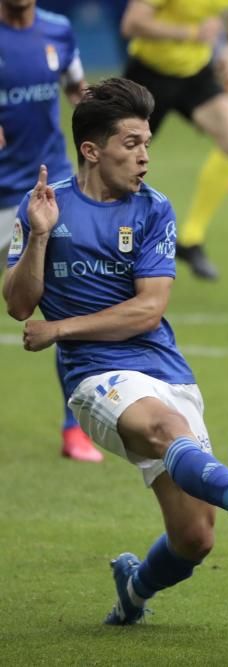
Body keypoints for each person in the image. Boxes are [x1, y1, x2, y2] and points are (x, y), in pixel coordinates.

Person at [3, 77, 228, 625]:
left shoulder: (154, 210)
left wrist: (59, 329)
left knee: (194, 539)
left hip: (164, 368)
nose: (144, 158)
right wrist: (38, 237)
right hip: (95, 378)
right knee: (164, 429)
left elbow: (148, 311)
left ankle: (132, 593)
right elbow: (18, 306)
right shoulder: (43, 208)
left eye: (147, 145)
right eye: (131, 144)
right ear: (92, 150)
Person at [0, 0, 103, 462]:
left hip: (48, 185)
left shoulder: (59, 31)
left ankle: (74, 427)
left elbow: (77, 92)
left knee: (68, 304)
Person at [120, 0, 228, 280]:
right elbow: (132, 23)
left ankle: (191, 239)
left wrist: (227, 48)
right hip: (149, 74)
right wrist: (191, 34)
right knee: (120, 165)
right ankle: (106, 246)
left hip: (196, 74)